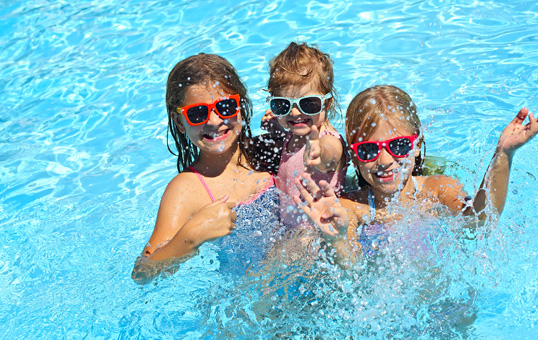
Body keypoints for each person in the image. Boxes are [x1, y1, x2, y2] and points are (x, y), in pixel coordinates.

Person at [295, 84, 538, 263]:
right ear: (354, 156)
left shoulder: (437, 190)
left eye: (399, 145)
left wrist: (503, 155)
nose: (385, 161)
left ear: (418, 144)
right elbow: (350, 266)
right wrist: (336, 240)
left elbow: (479, 220)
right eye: (368, 150)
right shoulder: (351, 207)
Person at [131, 53, 280, 284]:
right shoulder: (187, 189)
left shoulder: (269, 152)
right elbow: (142, 274)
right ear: (180, 122)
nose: (213, 120)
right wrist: (192, 235)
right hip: (247, 300)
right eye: (197, 113)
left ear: (241, 107)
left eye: (226, 106)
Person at [263, 42, 349, 230]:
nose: (294, 113)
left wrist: (319, 154)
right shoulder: (294, 131)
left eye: (308, 104)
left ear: (326, 104)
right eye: (282, 105)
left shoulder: (328, 139)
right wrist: (274, 126)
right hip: (288, 228)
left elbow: (330, 154)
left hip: (317, 233)